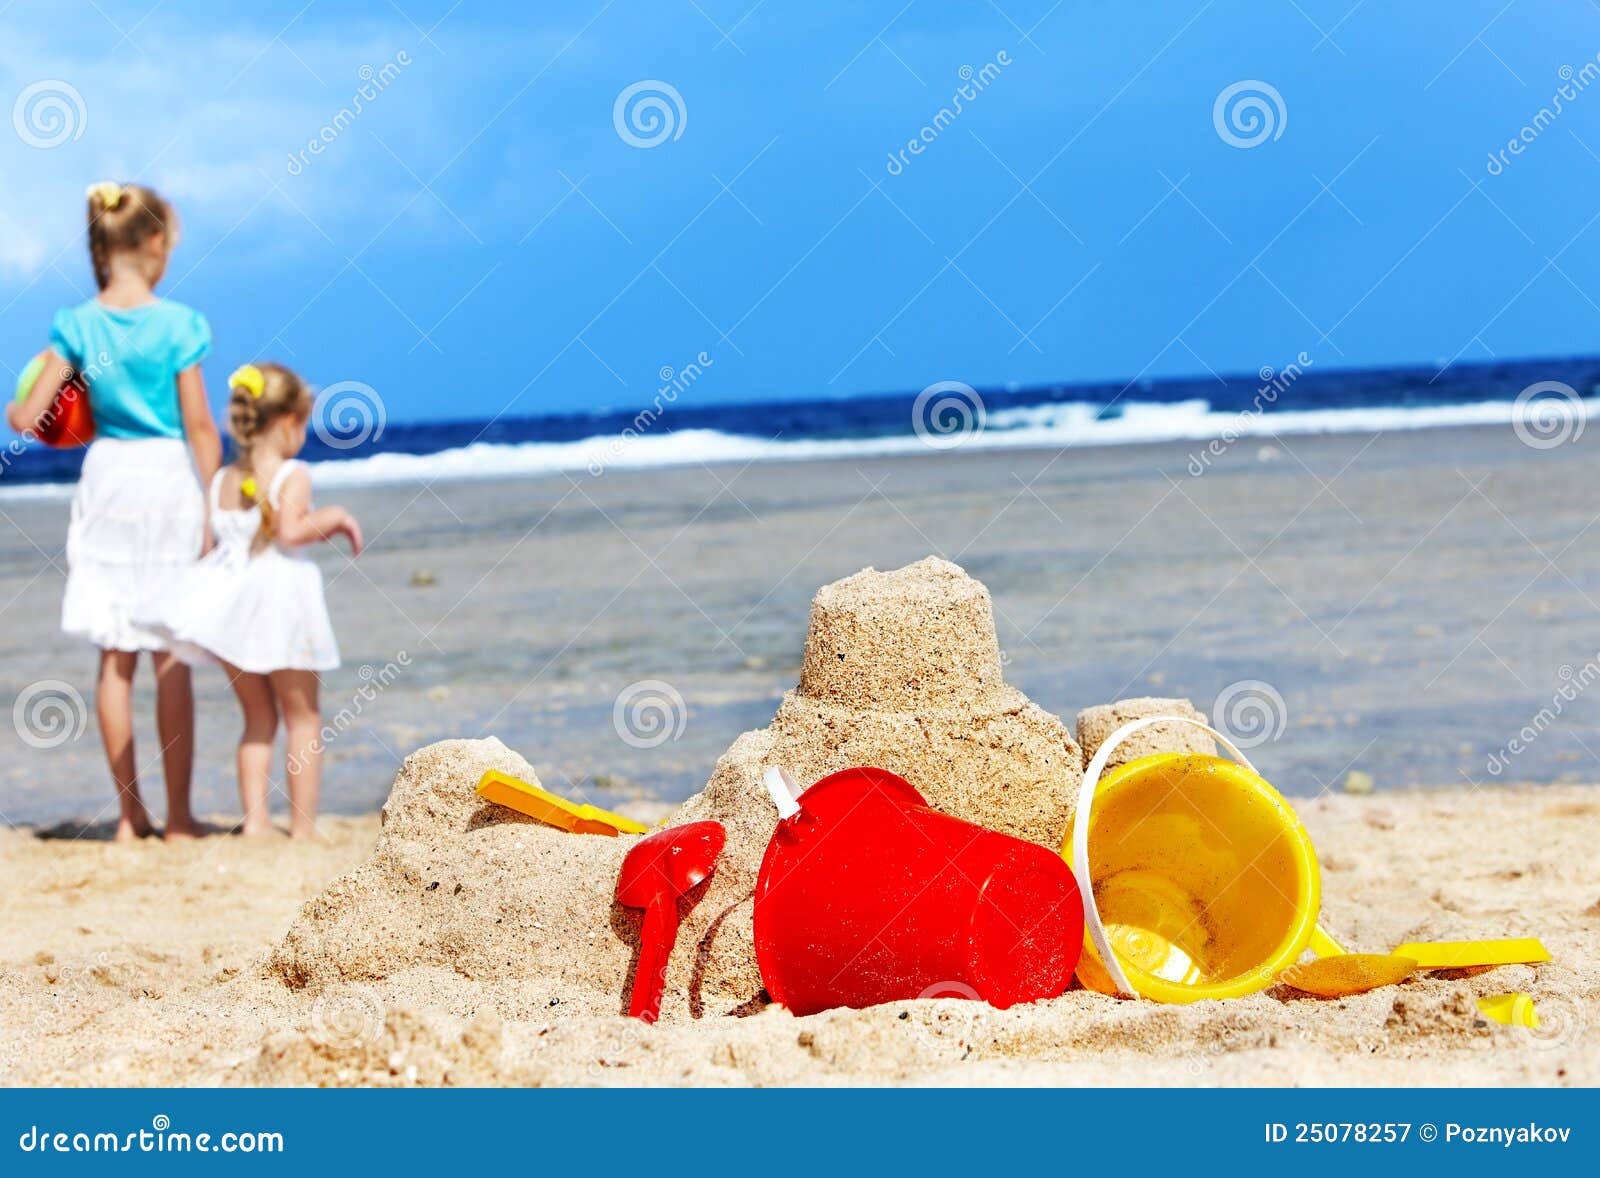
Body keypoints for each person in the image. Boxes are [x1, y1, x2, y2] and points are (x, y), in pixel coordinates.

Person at [7, 181, 221, 842]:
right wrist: (217, 512)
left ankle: (130, 818)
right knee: (171, 655)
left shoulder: (76, 324)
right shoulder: (180, 324)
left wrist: (41, 386)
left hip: (108, 479)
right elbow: (201, 428)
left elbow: (25, 417)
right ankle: (181, 818)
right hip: (164, 477)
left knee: (115, 659)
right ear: (155, 243)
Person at [145, 363, 362, 838]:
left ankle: (257, 824)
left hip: (231, 616)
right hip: (284, 608)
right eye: (303, 423)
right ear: (287, 421)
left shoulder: (221, 479)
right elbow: (290, 531)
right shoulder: (293, 473)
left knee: (257, 720)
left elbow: (210, 550)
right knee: (302, 716)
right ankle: (302, 828)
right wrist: (338, 516)